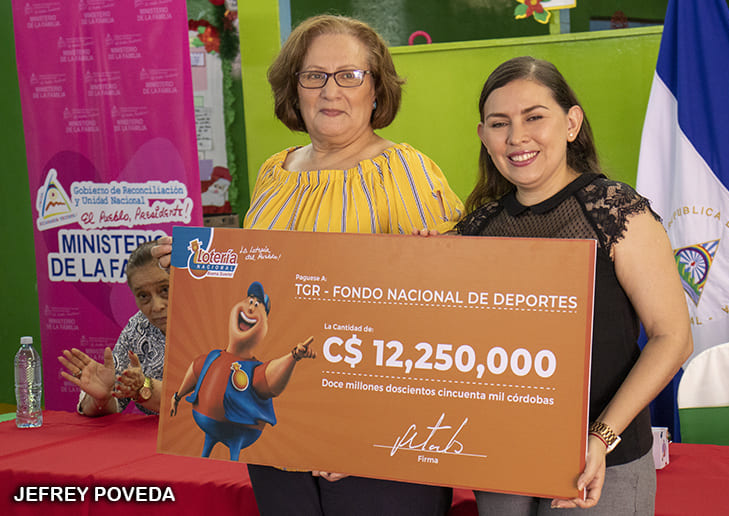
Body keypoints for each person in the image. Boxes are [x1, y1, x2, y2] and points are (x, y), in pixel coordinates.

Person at [154, 14, 464, 516]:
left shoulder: (406, 171)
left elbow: (441, 314)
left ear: (377, 90)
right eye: (313, 76)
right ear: (294, 90)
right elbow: (253, 279)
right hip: (277, 431)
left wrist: (369, 433)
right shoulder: (273, 174)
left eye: (349, 75)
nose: (330, 90)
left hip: (377, 438)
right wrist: (196, 267)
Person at [452, 56, 692, 515]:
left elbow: (673, 338)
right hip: (500, 459)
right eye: (499, 124)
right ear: (483, 136)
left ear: (571, 123)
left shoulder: (616, 212)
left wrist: (600, 438)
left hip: (603, 461)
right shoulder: (475, 230)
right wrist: (420, 261)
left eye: (534, 117)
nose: (516, 137)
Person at [170, 281, 316, 461]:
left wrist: (294, 356)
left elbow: (271, 381)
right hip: (205, 420)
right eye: (249, 301)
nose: (251, 308)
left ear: (265, 327)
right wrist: (177, 396)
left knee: (233, 462)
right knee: (202, 458)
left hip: (241, 429)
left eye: (258, 305)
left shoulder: (254, 369)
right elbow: (195, 370)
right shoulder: (213, 356)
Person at [59, 239, 168, 416]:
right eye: (143, 295)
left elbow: (200, 400)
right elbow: (112, 404)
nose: (157, 306)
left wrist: (144, 386)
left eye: (165, 289)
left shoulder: (209, 322)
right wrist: (101, 399)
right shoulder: (138, 328)